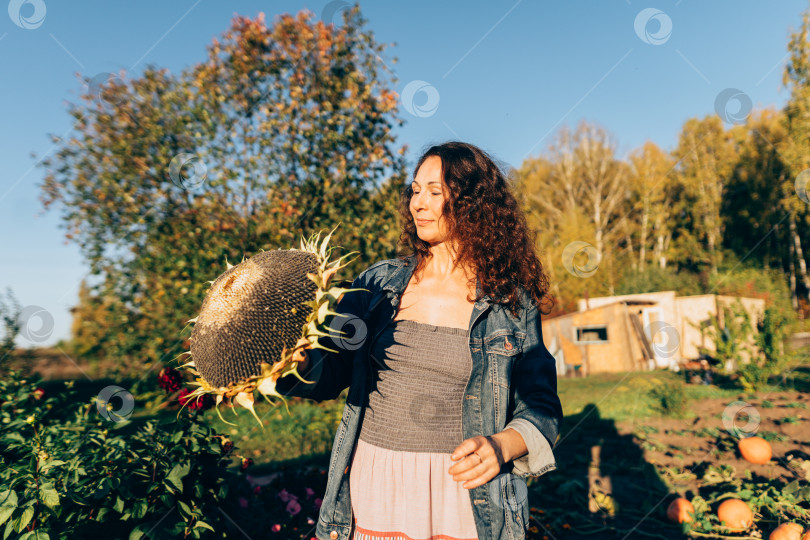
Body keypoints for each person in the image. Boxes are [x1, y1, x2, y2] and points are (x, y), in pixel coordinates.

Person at [276, 141, 563, 540]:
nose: (417, 204)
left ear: (472, 202)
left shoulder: (509, 304)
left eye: (434, 191)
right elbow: (332, 372)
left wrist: (502, 446)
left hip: (461, 496)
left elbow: (542, 407)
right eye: (414, 190)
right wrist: (296, 363)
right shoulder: (375, 286)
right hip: (373, 486)